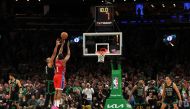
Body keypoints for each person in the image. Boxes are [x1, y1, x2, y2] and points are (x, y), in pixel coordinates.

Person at [44, 39, 61, 108]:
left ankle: (53, 107)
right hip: (49, 82)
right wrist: (56, 46)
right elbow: (54, 54)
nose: (51, 59)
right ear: (48, 61)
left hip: (52, 82)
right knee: (49, 96)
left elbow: (57, 55)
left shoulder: (51, 65)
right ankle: (46, 107)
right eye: (49, 59)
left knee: (52, 96)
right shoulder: (49, 65)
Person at [53, 40, 70, 108]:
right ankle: (57, 106)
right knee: (59, 92)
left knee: (56, 91)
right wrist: (68, 46)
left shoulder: (56, 60)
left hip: (55, 76)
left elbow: (60, 51)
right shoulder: (63, 62)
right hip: (60, 76)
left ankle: (54, 105)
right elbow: (68, 54)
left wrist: (62, 44)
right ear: (63, 57)